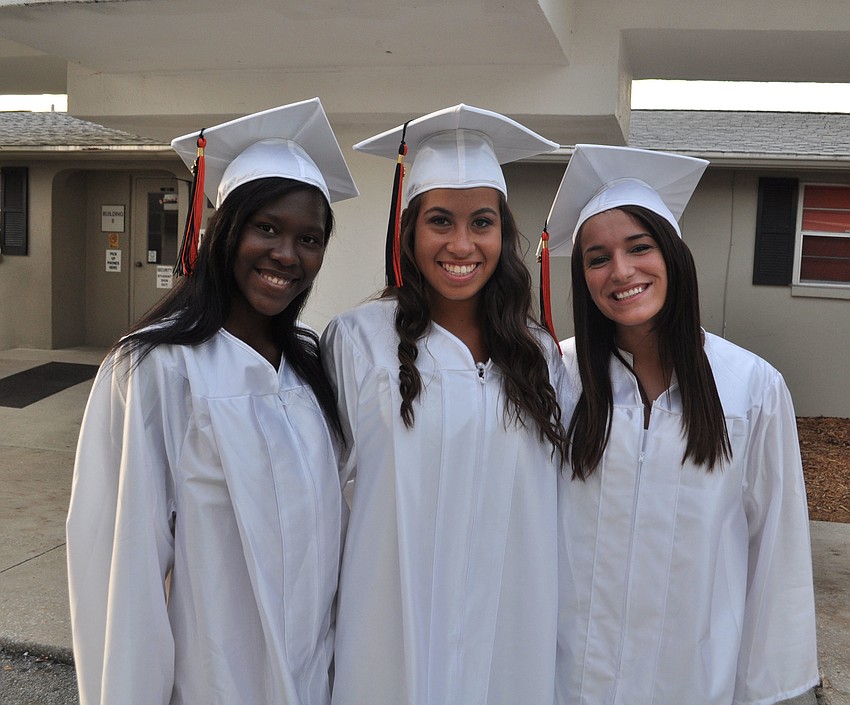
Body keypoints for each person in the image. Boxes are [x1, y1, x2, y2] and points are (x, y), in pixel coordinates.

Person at [66, 98, 359, 705]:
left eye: (309, 238)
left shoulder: (311, 365)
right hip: (213, 685)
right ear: (223, 231)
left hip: (313, 683)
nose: (287, 254)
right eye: (266, 228)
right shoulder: (156, 368)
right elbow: (123, 567)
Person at [543, 144, 819, 705]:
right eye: (597, 258)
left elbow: (777, 546)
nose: (621, 271)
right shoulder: (554, 379)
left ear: (673, 256)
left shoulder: (751, 388)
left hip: (694, 682)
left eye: (639, 247)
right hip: (567, 680)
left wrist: (765, 686)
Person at [321, 104, 571, 705]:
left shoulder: (538, 355)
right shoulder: (357, 342)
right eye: (440, 221)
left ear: (502, 233)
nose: (462, 244)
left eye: (481, 222)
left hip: (508, 636)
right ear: (409, 231)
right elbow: (320, 494)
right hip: (389, 634)